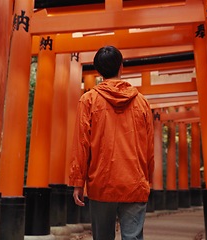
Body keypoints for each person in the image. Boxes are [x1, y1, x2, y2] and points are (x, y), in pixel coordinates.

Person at [69, 45, 154, 240]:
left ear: (98, 71)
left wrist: (77, 183)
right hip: (135, 182)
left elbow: (81, 144)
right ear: (121, 67)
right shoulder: (142, 102)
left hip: (101, 182)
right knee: (133, 238)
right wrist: (147, 179)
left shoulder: (88, 101)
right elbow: (149, 147)